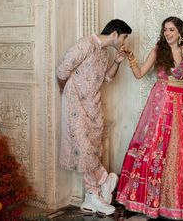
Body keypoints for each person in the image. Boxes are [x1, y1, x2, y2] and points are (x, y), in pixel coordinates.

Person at [117, 16, 183, 219]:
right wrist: (130, 57)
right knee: (157, 149)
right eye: (165, 29)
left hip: (180, 106)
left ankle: (175, 200)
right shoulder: (158, 51)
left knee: (181, 152)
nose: (168, 33)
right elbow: (140, 74)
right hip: (161, 105)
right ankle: (151, 201)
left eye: (172, 29)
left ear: (180, 32)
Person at [56, 19, 132, 216]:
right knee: (83, 148)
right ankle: (105, 179)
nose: (124, 42)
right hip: (76, 106)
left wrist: (117, 62)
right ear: (115, 33)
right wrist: (65, 91)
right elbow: (62, 70)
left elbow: (107, 79)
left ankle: (92, 197)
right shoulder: (85, 44)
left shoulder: (105, 53)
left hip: (94, 106)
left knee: (93, 149)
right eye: (124, 37)